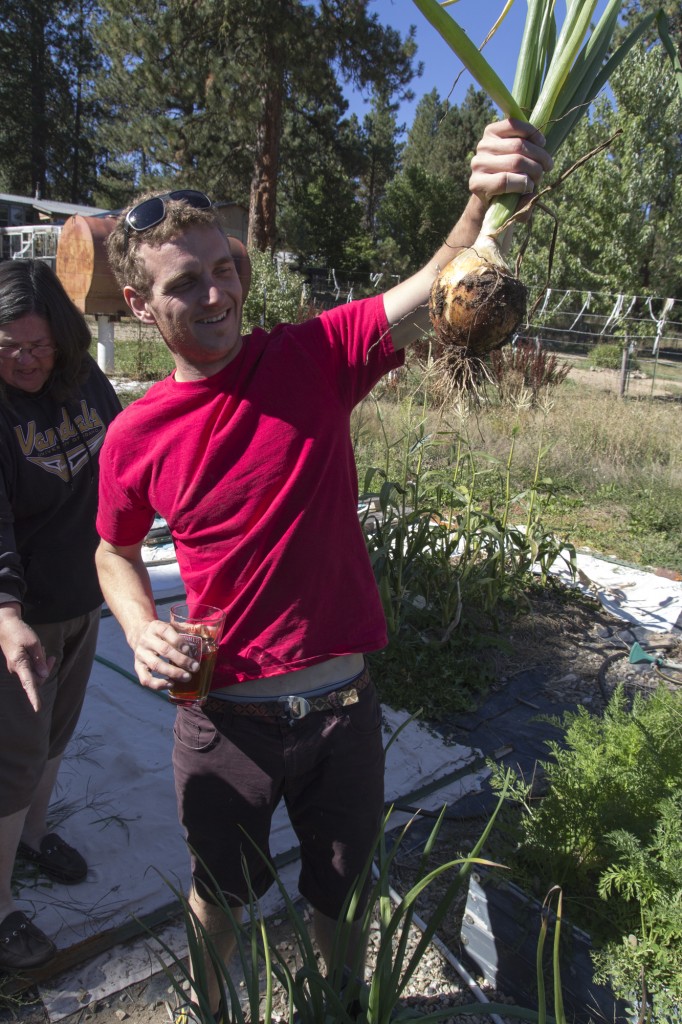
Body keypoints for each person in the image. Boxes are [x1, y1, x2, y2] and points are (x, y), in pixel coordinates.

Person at [95, 119, 552, 1018]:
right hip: (225, 722)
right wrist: (143, 626)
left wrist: (484, 197)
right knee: (221, 902)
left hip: (344, 716)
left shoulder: (311, 356)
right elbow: (112, 549)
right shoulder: (136, 433)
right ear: (140, 306)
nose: (219, 291)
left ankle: (335, 1009)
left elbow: (432, 287)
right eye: (186, 283)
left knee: (340, 902)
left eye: (225, 265)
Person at [0, 259, 121, 970]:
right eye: (9, 345)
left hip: (84, 596)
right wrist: (6, 612)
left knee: (53, 740)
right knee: (13, 758)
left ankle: (34, 838)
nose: (26, 360)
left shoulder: (82, 378)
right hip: (21, 617)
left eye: (40, 345)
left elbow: (123, 458)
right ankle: (2, 907)